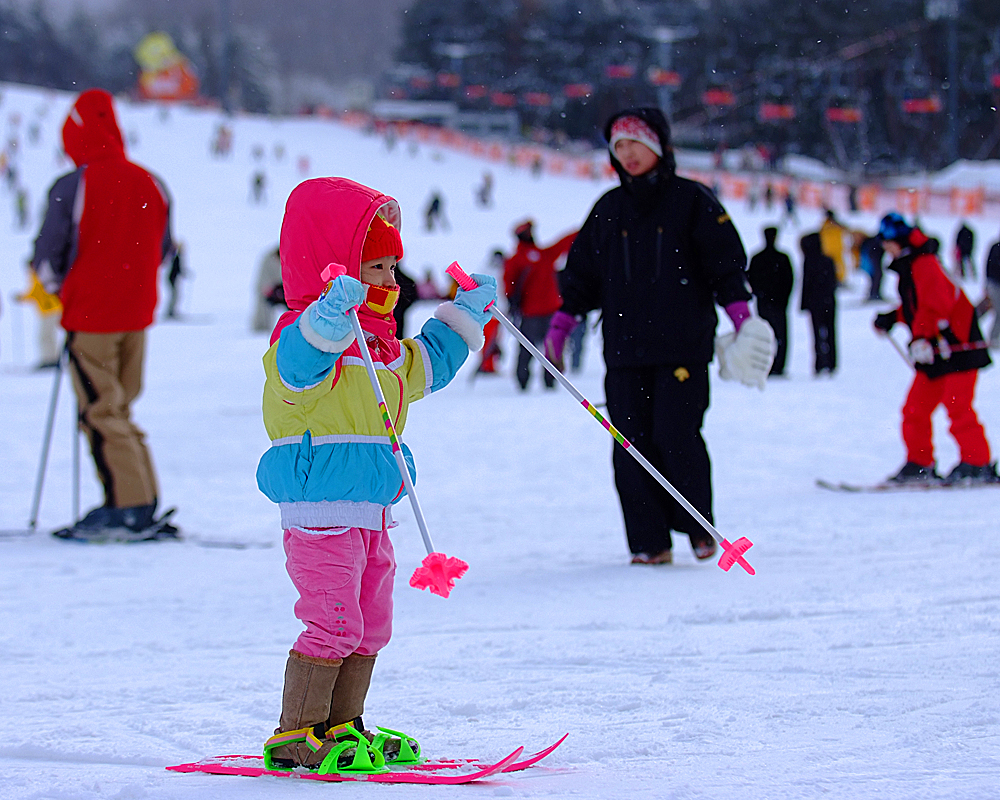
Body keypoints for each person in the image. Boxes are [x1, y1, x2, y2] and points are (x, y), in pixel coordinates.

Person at [256, 177, 496, 772]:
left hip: (371, 509)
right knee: (333, 618)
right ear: (333, 268)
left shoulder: (383, 347)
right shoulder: (302, 337)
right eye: (378, 268)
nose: (392, 282)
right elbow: (302, 364)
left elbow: (429, 367)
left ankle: (343, 723)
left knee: (369, 621)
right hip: (321, 511)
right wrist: (329, 315)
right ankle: (297, 732)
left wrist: (464, 317)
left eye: (393, 267)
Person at [543, 108, 775, 566]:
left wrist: (742, 316)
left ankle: (698, 526)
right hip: (625, 349)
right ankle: (649, 542)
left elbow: (725, 265)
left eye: (637, 144)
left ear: (659, 147)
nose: (628, 155)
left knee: (676, 434)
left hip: (682, 346)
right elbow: (583, 275)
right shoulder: (608, 210)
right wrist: (562, 321)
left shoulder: (693, 201)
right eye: (619, 147)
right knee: (629, 444)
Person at [30, 88, 175, 540]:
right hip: (136, 315)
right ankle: (142, 496)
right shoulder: (150, 181)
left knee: (99, 410)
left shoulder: (73, 185)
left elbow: (48, 254)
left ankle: (126, 506)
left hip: (91, 315)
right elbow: (164, 250)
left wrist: (58, 289)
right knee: (120, 407)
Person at [873, 213, 996, 484]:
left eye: (886, 242)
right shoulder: (910, 265)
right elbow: (918, 307)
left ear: (896, 240)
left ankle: (978, 464)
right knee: (915, 409)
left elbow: (936, 306)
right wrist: (894, 317)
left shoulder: (924, 264)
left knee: (957, 407)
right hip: (937, 351)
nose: (884, 248)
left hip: (958, 348)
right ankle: (920, 463)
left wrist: (922, 338)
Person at [502, 219, 576, 390]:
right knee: (532, 349)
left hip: (547, 310)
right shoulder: (522, 258)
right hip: (532, 312)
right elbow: (509, 284)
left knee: (549, 348)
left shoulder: (541, 255)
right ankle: (525, 381)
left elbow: (563, 244)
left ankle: (547, 380)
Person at [747, 227, 793, 376]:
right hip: (777, 303)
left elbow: (750, 278)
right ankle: (778, 365)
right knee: (779, 336)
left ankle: (764, 365)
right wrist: (783, 298)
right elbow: (789, 280)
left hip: (764, 302)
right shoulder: (782, 258)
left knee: (765, 336)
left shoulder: (757, 258)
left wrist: (759, 294)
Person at [799, 232, 838, 376]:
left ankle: (819, 362)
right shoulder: (828, 260)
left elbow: (806, 283)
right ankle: (832, 362)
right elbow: (833, 282)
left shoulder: (809, 261)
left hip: (815, 303)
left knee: (817, 334)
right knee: (831, 332)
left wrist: (803, 303)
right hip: (829, 301)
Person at [251, 246, 284, 333]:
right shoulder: (268, 259)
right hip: (273, 290)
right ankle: (261, 327)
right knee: (263, 301)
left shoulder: (295, 257)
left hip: (289, 291)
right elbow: (262, 284)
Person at [819, 209, 848, 285]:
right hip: (830, 249)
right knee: (833, 266)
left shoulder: (832, 225)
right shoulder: (826, 225)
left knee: (838, 266)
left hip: (835, 249)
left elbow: (846, 229)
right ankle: (832, 280)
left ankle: (839, 280)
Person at [983, 231, 1000, 349]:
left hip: (992, 283)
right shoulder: (996, 248)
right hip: (994, 285)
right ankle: (993, 340)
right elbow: (990, 266)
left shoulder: (995, 247)